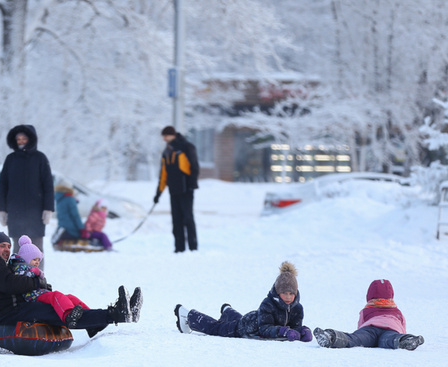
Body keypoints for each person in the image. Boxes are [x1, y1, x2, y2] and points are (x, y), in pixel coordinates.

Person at [0, 231, 142, 338]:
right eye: (2, 246)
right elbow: (9, 284)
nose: (7, 249)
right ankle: (116, 314)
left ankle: (117, 313)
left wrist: (38, 286)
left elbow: (12, 284)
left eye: (9, 246)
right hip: (6, 315)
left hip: (16, 309)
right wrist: (36, 282)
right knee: (60, 312)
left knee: (65, 301)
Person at [175, 261, 313, 342]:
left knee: (237, 319)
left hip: (252, 319)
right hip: (246, 327)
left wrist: (302, 331)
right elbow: (264, 329)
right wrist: (282, 331)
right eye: (284, 293)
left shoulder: (297, 308)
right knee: (215, 328)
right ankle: (186, 315)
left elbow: (294, 328)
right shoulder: (268, 304)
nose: (288, 297)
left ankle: (227, 311)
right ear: (278, 293)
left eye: (291, 293)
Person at [313, 279, 425, 350]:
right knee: (390, 340)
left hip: (369, 330)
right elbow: (402, 326)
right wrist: (401, 334)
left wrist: (362, 333)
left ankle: (331, 337)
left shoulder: (366, 310)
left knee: (354, 339)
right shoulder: (397, 311)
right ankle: (405, 340)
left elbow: (361, 325)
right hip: (391, 330)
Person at [0, 125, 54, 257]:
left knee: (36, 248)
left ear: (31, 139)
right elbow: (3, 185)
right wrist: (2, 210)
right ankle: (18, 276)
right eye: (19, 139)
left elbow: (48, 186)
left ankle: (37, 275)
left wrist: (48, 209)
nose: (21, 141)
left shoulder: (40, 159)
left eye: (24, 138)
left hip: (36, 213)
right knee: (18, 247)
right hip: (15, 212)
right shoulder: (10, 159)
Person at [11, 235, 88, 327]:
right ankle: (68, 315)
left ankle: (90, 314)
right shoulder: (19, 267)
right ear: (26, 259)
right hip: (32, 296)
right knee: (56, 296)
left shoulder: (30, 268)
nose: (37, 262)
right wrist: (33, 272)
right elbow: (21, 280)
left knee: (70, 297)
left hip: (39, 293)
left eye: (38, 260)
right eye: (34, 259)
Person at [154, 125, 199, 252]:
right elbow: (163, 174)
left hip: (186, 189)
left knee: (188, 219)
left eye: (165, 136)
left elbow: (194, 167)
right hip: (173, 190)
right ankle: (179, 248)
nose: (164, 139)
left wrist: (192, 184)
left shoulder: (186, 147)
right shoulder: (167, 151)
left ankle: (193, 247)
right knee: (176, 221)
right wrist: (158, 193)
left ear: (172, 135)